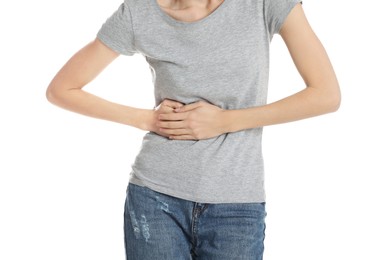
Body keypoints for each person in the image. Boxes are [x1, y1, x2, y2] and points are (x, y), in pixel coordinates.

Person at [46, 0, 341, 259]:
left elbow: (326, 94)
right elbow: (61, 89)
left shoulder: (264, 4)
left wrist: (225, 121)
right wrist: (144, 119)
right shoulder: (139, 12)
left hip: (236, 204)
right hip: (155, 198)